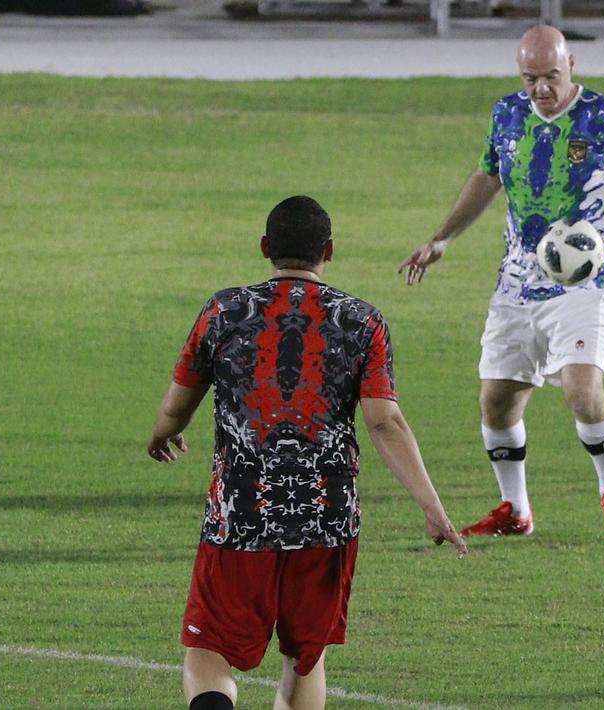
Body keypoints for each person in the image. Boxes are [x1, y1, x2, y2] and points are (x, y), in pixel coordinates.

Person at [147, 196, 467, 710]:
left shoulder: (225, 310)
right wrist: (433, 508)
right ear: (330, 251)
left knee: (208, 648)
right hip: (327, 517)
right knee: (305, 657)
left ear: (266, 248)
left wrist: (163, 433)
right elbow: (385, 421)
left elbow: (175, 406)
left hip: (241, 512)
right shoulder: (363, 321)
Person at [398, 25, 604, 543]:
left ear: (572, 65)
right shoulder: (507, 114)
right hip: (518, 281)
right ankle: (515, 509)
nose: (541, 88)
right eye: (530, 77)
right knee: (496, 401)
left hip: (588, 280)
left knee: (582, 390)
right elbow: (487, 176)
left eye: (551, 76)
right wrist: (442, 237)